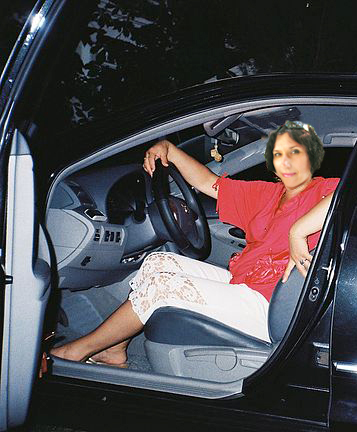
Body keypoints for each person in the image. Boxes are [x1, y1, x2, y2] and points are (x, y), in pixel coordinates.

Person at [50, 120, 339, 366]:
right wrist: (169, 149)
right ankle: (114, 349)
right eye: (279, 153)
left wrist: (298, 231)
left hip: (270, 305)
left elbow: (347, 196)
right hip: (243, 284)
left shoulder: (327, 189)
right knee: (158, 262)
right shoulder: (266, 194)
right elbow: (207, 183)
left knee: (161, 286)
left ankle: (76, 351)